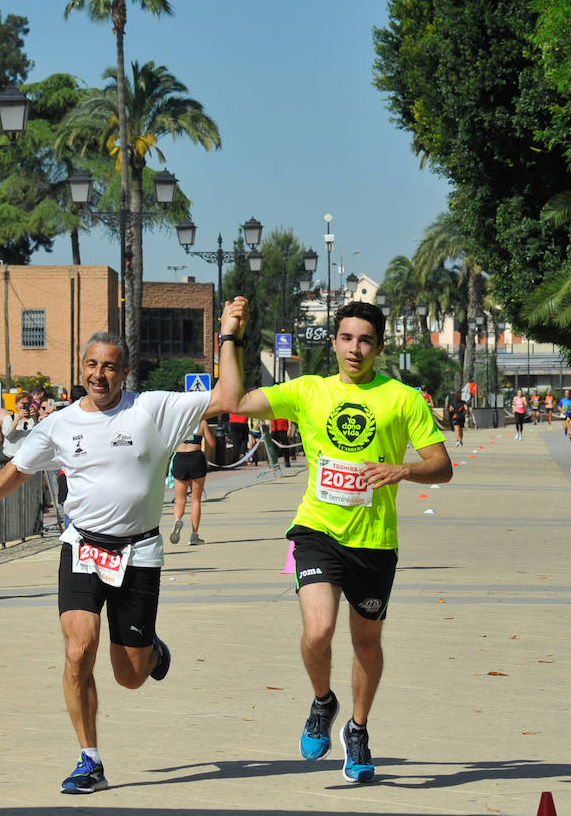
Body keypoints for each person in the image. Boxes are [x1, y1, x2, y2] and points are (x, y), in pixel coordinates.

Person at [0, 297, 249, 794]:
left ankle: (152, 653)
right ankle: (89, 758)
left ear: (124, 373)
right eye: (92, 365)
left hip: (138, 552)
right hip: (82, 547)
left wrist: (227, 333)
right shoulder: (59, 423)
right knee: (78, 651)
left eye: (109, 367)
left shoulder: (152, 409)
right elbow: (20, 468)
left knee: (130, 675)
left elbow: (229, 395)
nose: (99, 375)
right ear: (83, 369)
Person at [233, 301, 451, 784]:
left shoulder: (403, 398)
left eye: (365, 340)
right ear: (333, 342)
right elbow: (237, 401)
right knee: (318, 632)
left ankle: (357, 729)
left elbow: (443, 466)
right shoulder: (309, 390)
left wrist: (403, 469)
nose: (355, 348)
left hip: (375, 542)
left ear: (378, 346)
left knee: (366, 643)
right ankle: (322, 701)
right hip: (314, 531)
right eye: (347, 338)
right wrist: (232, 336)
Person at [170, 419, 215, 546]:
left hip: (179, 457)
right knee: (195, 500)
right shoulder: (201, 422)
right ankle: (194, 535)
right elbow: (212, 444)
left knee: (180, 500)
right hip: (196, 457)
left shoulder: (177, 421)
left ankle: (177, 520)